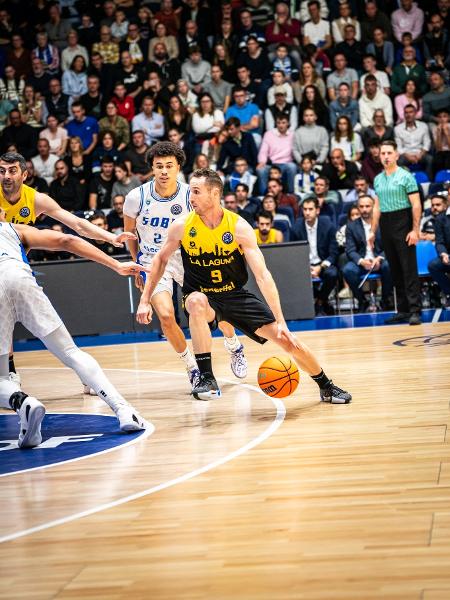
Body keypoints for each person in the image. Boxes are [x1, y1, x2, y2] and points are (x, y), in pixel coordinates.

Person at [136, 167, 351, 404]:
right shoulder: (182, 225)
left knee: (287, 340)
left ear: (214, 193)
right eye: (191, 192)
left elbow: (262, 275)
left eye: (196, 192)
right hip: (204, 297)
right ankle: (207, 377)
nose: (190, 197)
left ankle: (326, 386)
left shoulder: (238, 227)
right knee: (195, 301)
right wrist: (145, 300)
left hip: (235, 295)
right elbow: (160, 260)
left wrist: (280, 321)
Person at [0, 209, 146, 448]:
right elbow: (66, 240)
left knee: (1, 377)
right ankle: (124, 410)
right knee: (70, 352)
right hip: (19, 276)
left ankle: (22, 402)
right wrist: (115, 265)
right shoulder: (13, 229)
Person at [0, 151, 135, 382]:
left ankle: (15, 372)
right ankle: (10, 370)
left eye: (12, 171)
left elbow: (76, 225)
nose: (6, 176)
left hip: (15, 263)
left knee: (34, 324)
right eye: (1, 171)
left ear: (25, 174)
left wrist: (110, 237)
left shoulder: (36, 199)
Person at [124, 142, 248, 390]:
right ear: (152, 168)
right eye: (158, 166)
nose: (164, 171)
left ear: (178, 167)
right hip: (153, 262)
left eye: (169, 166)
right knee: (167, 317)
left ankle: (234, 345)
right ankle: (192, 367)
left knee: (215, 309)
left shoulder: (190, 195)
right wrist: (137, 263)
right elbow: (129, 234)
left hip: (190, 258)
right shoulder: (136, 197)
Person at [372, 140, 422, 325]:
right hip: (386, 223)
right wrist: (372, 231)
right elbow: (376, 207)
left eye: (388, 153)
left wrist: (415, 230)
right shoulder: (377, 179)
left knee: (408, 268)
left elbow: (416, 204)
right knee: (395, 269)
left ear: (396, 155)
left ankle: (415, 310)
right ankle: (403, 310)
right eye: (382, 153)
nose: (385, 156)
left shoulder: (406, 176)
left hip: (403, 221)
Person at [343, 195, 393, 312]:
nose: (364, 209)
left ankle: (386, 299)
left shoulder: (383, 223)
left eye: (367, 206)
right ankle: (362, 300)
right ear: (358, 208)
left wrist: (379, 258)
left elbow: (389, 246)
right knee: (347, 270)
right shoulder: (351, 226)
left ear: (374, 207)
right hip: (361, 262)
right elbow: (350, 250)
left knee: (389, 266)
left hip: (379, 261)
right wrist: (361, 261)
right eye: (361, 206)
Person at [292, 197, 339, 315]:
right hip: (303, 265)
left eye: (310, 209)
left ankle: (319, 301)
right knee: (291, 275)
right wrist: (306, 267)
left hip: (323, 263)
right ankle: (321, 302)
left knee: (332, 274)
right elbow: (292, 253)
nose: (307, 212)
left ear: (317, 210)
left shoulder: (328, 225)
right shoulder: (296, 227)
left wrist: (320, 267)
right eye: (305, 209)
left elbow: (334, 252)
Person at [256, 115, 296, 194]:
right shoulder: (269, 134)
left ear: (288, 124)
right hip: (272, 164)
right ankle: (264, 195)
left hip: (286, 163)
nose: (281, 125)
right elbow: (263, 150)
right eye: (279, 123)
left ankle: (291, 193)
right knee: (261, 170)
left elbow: (296, 150)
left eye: (283, 123)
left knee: (292, 167)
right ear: (276, 124)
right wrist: (262, 161)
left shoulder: (293, 135)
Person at [394, 104, 432, 179]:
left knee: (430, 159)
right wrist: (408, 156)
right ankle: (403, 183)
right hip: (405, 154)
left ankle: (428, 182)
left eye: (411, 112)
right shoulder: (397, 128)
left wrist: (421, 154)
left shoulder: (423, 126)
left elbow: (427, 142)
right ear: (404, 114)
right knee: (399, 161)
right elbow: (398, 147)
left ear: (415, 113)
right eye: (406, 112)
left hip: (420, 153)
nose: (408, 115)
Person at [428, 199, 450, 307]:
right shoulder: (441, 219)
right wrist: (443, 254)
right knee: (433, 265)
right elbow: (439, 242)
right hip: (449, 257)